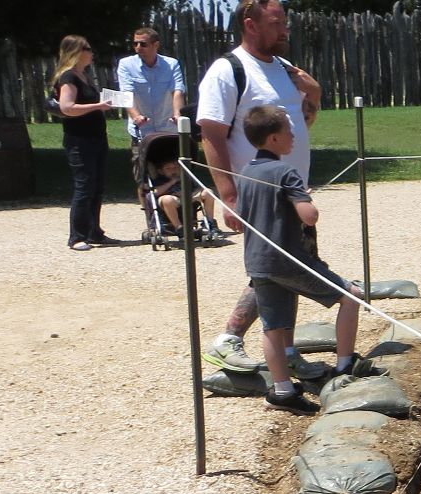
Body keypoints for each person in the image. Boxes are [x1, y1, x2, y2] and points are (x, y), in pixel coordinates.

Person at [197, 0, 323, 372]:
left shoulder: (285, 70)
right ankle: (229, 339)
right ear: (251, 25)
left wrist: (312, 95)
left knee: (289, 267)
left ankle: (285, 352)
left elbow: (298, 126)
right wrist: (229, 195)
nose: (285, 29)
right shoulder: (228, 71)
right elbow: (211, 134)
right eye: (276, 22)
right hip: (258, 191)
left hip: (291, 190)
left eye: (284, 21)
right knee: (275, 269)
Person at [237, 105, 363, 414]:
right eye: (289, 131)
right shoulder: (285, 172)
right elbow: (310, 216)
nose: (295, 136)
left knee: (272, 327)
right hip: (289, 260)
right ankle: (345, 365)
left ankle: (282, 391)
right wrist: (306, 200)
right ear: (274, 139)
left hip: (258, 262)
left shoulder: (245, 172)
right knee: (352, 296)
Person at [53, 35, 117, 251]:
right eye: (88, 48)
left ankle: (94, 232)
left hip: (97, 137)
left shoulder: (85, 76)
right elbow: (67, 107)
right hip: (79, 139)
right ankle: (76, 237)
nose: (92, 52)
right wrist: (97, 106)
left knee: (97, 186)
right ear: (76, 52)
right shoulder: (68, 77)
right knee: (84, 186)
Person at [117, 26, 184, 142]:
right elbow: (126, 93)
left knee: (171, 160)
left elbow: (177, 91)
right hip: (141, 128)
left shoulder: (171, 64)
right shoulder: (126, 65)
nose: (138, 47)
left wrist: (177, 114)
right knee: (142, 160)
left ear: (156, 45)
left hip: (167, 127)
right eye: (135, 44)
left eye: (143, 44)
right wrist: (136, 116)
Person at [146, 158, 218, 236]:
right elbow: (155, 193)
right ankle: (179, 228)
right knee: (167, 199)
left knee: (208, 192)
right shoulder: (160, 179)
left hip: (188, 198)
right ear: (161, 171)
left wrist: (189, 194)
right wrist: (172, 182)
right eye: (168, 168)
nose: (172, 170)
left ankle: (209, 223)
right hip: (170, 201)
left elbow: (200, 188)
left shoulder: (186, 177)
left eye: (175, 168)